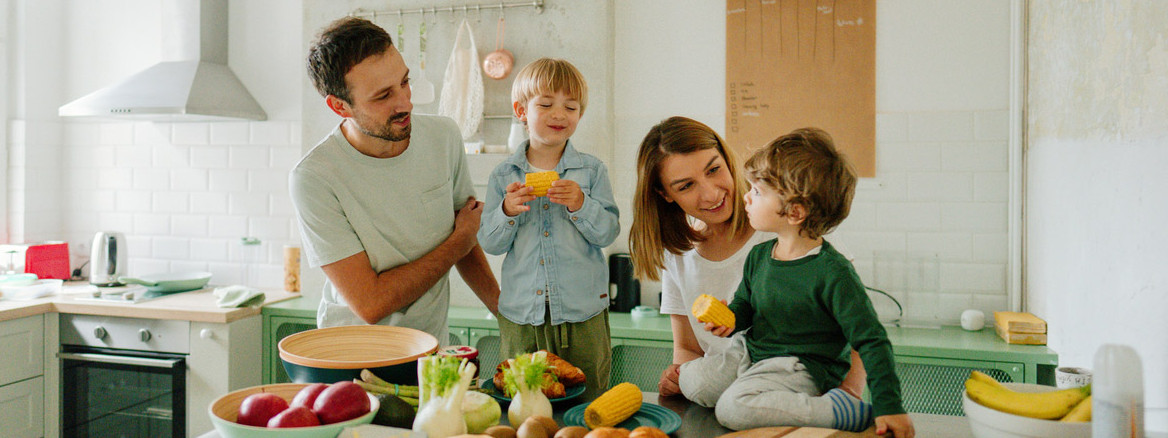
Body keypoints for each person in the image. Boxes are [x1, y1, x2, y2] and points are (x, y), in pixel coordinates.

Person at [685, 128, 914, 437]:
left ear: (794, 212)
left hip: (799, 365)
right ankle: (758, 394)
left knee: (732, 409)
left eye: (758, 191)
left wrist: (890, 406)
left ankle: (837, 409)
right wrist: (731, 319)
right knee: (692, 383)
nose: (746, 197)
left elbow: (872, 340)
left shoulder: (834, 273)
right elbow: (745, 306)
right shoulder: (760, 256)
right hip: (752, 350)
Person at [290, 17, 499, 343]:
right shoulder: (314, 178)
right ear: (340, 106)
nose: (405, 102)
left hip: (431, 350)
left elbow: (466, 234)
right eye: (383, 95)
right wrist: (459, 240)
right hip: (353, 359)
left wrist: (507, 315)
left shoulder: (444, 137)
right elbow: (371, 303)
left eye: (404, 82)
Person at [628, 116, 866, 399]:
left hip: (804, 395)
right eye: (685, 186)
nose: (711, 193)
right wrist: (681, 375)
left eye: (714, 169)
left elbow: (858, 332)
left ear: (727, 161)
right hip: (728, 400)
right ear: (664, 194)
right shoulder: (677, 253)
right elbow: (689, 349)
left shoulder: (786, 226)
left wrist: (849, 391)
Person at [478, 58, 620, 400]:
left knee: (588, 399)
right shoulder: (502, 175)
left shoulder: (592, 171)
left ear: (579, 115)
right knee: (522, 401)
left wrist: (581, 205)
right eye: (545, 104)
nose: (559, 114)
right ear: (521, 110)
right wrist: (507, 211)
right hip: (521, 317)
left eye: (570, 107)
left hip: (582, 313)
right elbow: (490, 243)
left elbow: (608, 233)